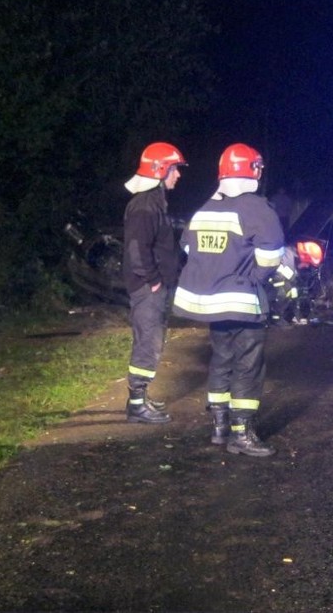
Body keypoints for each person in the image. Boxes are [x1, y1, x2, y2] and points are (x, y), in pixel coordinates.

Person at [173, 143, 286, 456]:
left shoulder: (206, 208)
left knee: (221, 359)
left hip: (211, 304)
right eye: (258, 167)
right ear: (252, 170)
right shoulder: (256, 208)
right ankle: (243, 434)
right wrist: (255, 279)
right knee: (248, 365)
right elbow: (270, 255)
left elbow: (188, 248)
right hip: (241, 301)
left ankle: (220, 428)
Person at [122, 141, 187, 424]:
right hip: (148, 288)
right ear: (161, 170)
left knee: (151, 340)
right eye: (175, 169)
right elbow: (138, 250)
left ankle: (140, 398)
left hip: (152, 287)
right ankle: (136, 405)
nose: (178, 175)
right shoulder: (145, 205)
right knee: (148, 343)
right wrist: (154, 281)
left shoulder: (154, 201)